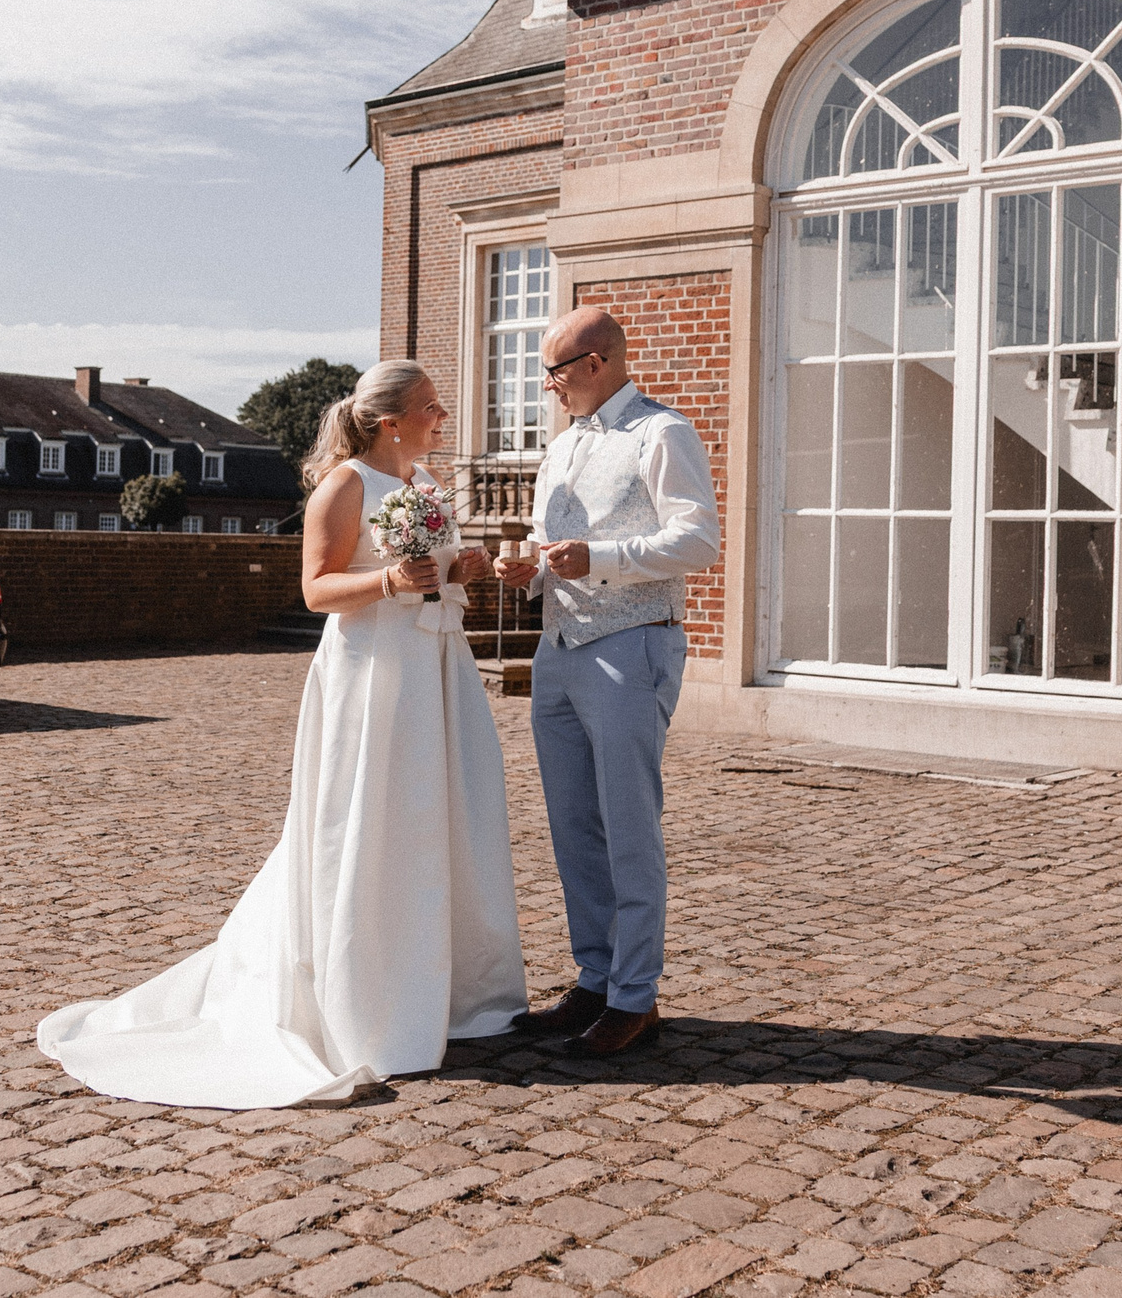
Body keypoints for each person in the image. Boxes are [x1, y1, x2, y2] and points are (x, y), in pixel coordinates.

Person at [36, 361, 526, 1108]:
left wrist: (474, 566)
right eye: (431, 406)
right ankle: (369, 1003)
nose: (442, 416)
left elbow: (440, 572)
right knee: (369, 820)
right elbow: (317, 587)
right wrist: (391, 582)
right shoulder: (347, 484)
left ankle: (447, 991)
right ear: (391, 419)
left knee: (444, 815)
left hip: (435, 665)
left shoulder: (423, 483)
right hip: (374, 675)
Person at [495, 307, 720, 1057]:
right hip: (558, 646)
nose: (547, 384)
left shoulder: (664, 432)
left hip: (631, 646)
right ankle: (594, 977)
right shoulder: (560, 448)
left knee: (629, 825)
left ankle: (634, 995)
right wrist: (524, 564)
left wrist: (602, 558)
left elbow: (697, 540)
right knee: (573, 825)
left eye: (555, 370)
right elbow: (550, 541)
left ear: (597, 362)